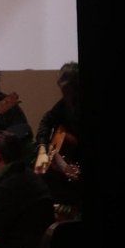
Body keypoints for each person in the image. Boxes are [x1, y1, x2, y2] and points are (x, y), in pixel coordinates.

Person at [33, 62, 82, 215]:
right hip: (64, 175)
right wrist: (42, 150)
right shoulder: (65, 104)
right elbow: (46, 121)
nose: (66, 96)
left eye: (68, 91)